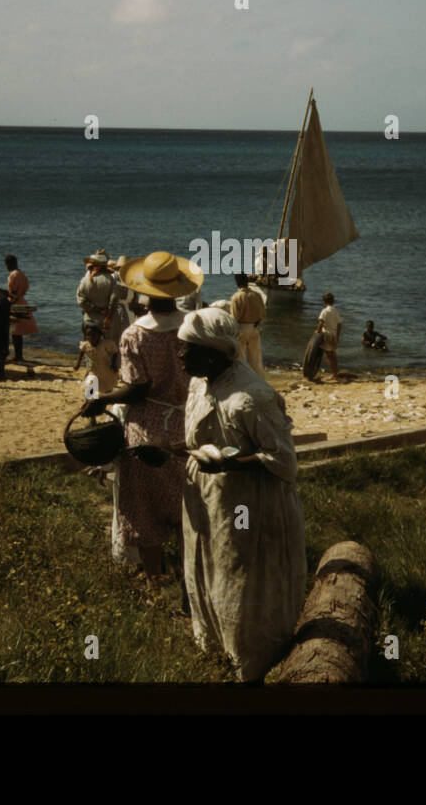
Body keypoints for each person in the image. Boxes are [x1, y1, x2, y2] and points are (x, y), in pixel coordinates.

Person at [178, 306, 307, 683]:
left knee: (243, 575)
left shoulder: (251, 398)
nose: (180, 355)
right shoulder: (200, 383)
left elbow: (284, 461)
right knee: (210, 566)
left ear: (214, 354)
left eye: (188, 349)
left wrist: (229, 466)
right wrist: (170, 450)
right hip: (209, 496)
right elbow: (201, 440)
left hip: (248, 502)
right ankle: (215, 649)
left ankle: (254, 663)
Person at [81, 251, 201, 603]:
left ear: (143, 293)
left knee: (146, 511)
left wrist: (103, 400)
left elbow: (137, 389)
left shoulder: (134, 335)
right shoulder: (193, 325)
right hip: (188, 422)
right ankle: (187, 580)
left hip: (148, 425)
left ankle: (154, 588)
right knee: (186, 508)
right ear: (178, 289)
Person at [228, 272, 266, 376]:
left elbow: (234, 317)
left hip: (241, 329)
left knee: (240, 358)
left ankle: (242, 378)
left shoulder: (236, 297)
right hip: (255, 327)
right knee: (256, 359)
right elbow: (263, 314)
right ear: (247, 281)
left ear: (237, 282)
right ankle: (259, 380)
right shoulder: (257, 295)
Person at [77, 249, 118, 334]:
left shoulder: (85, 280)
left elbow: (81, 301)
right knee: (106, 344)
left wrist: (96, 309)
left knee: (90, 342)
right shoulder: (111, 279)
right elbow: (114, 299)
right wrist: (109, 317)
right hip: (105, 319)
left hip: (89, 318)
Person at [4, 254, 36, 363]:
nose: (6, 267)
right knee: (19, 332)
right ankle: (19, 355)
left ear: (10, 264)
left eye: (7, 265)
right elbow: (25, 288)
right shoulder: (23, 274)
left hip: (15, 303)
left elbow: (12, 292)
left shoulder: (13, 275)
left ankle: (17, 356)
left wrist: (8, 301)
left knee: (15, 330)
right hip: (22, 301)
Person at [74, 319, 118, 395]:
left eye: (94, 335)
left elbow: (115, 352)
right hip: (93, 369)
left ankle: (105, 400)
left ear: (99, 335)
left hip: (106, 369)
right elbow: (81, 352)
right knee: (90, 385)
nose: (91, 337)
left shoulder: (105, 344)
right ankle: (89, 402)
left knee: (106, 388)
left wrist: (113, 363)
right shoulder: (85, 345)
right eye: (88, 335)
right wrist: (78, 362)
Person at [316, 291, 342, 380]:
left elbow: (321, 322)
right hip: (334, 334)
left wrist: (317, 331)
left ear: (324, 301)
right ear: (333, 301)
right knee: (333, 355)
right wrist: (338, 336)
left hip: (327, 334)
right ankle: (336, 373)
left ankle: (334, 374)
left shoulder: (325, 311)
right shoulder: (335, 311)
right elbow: (339, 325)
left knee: (328, 356)